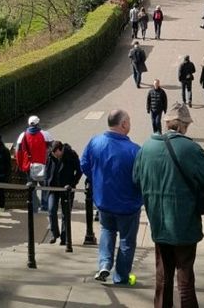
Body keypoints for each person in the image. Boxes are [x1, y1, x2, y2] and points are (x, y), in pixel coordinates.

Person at [133, 102, 204, 308]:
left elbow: (136, 179)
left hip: (158, 221)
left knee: (162, 277)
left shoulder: (146, 147)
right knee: (185, 279)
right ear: (181, 126)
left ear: (166, 123)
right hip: (184, 223)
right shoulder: (190, 148)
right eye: (187, 125)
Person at [80, 109, 143, 286]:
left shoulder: (95, 142)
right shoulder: (134, 150)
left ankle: (104, 264)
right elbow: (140, 178)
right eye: (129, 121)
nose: (130, 124)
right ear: (123, 124)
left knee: (107, 230)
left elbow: (84, 165)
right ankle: (121, 277)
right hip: (128, 204)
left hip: (103, 200)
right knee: (126, 241)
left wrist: (98, 180)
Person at [44, 140, 82, 245]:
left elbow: (79, 170)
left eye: (56, 153)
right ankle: (54, 233)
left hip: (66, 188)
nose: (55, 155)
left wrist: (73, 183)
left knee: (66, 213)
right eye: (53, 153)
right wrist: (46, 182)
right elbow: (46, 171)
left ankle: (64, 238)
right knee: (51, 210)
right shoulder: (50, 156)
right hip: (53, 188)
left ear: (60, 150)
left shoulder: (71, 155)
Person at [15, 116, 53, 211]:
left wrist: (21, 165)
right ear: (38, 123)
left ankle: (34, 208)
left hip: (29, 166)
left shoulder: (23, 135)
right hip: (43, 164)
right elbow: (52, 148)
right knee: (45, 186)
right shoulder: (45, 134)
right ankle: (45, 206)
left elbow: (18, 152)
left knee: (32, 188)